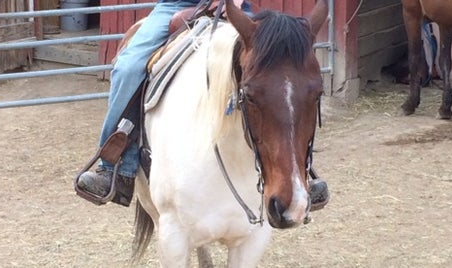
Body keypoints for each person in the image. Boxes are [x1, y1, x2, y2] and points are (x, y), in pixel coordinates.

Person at [77, 0, 329, 210]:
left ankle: (298, 173)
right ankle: (112, 166)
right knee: (128, 68)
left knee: (278, 70)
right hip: (176, 5)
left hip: (234, 5)